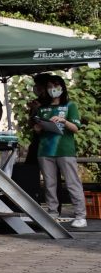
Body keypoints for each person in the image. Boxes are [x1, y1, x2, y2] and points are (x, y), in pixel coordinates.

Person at [34, 75, 87, 228]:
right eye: (50, 87)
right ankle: (52, 213)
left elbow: (76, 128)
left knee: (72, 183)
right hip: (45, 150)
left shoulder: (70, 105)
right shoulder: (42, 108)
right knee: (49, 184)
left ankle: (80, 216)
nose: (53, 89)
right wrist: (38, 126)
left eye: (56, 86)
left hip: (65, 150)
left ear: (62, 88)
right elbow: (37, 128)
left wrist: (64, 121)